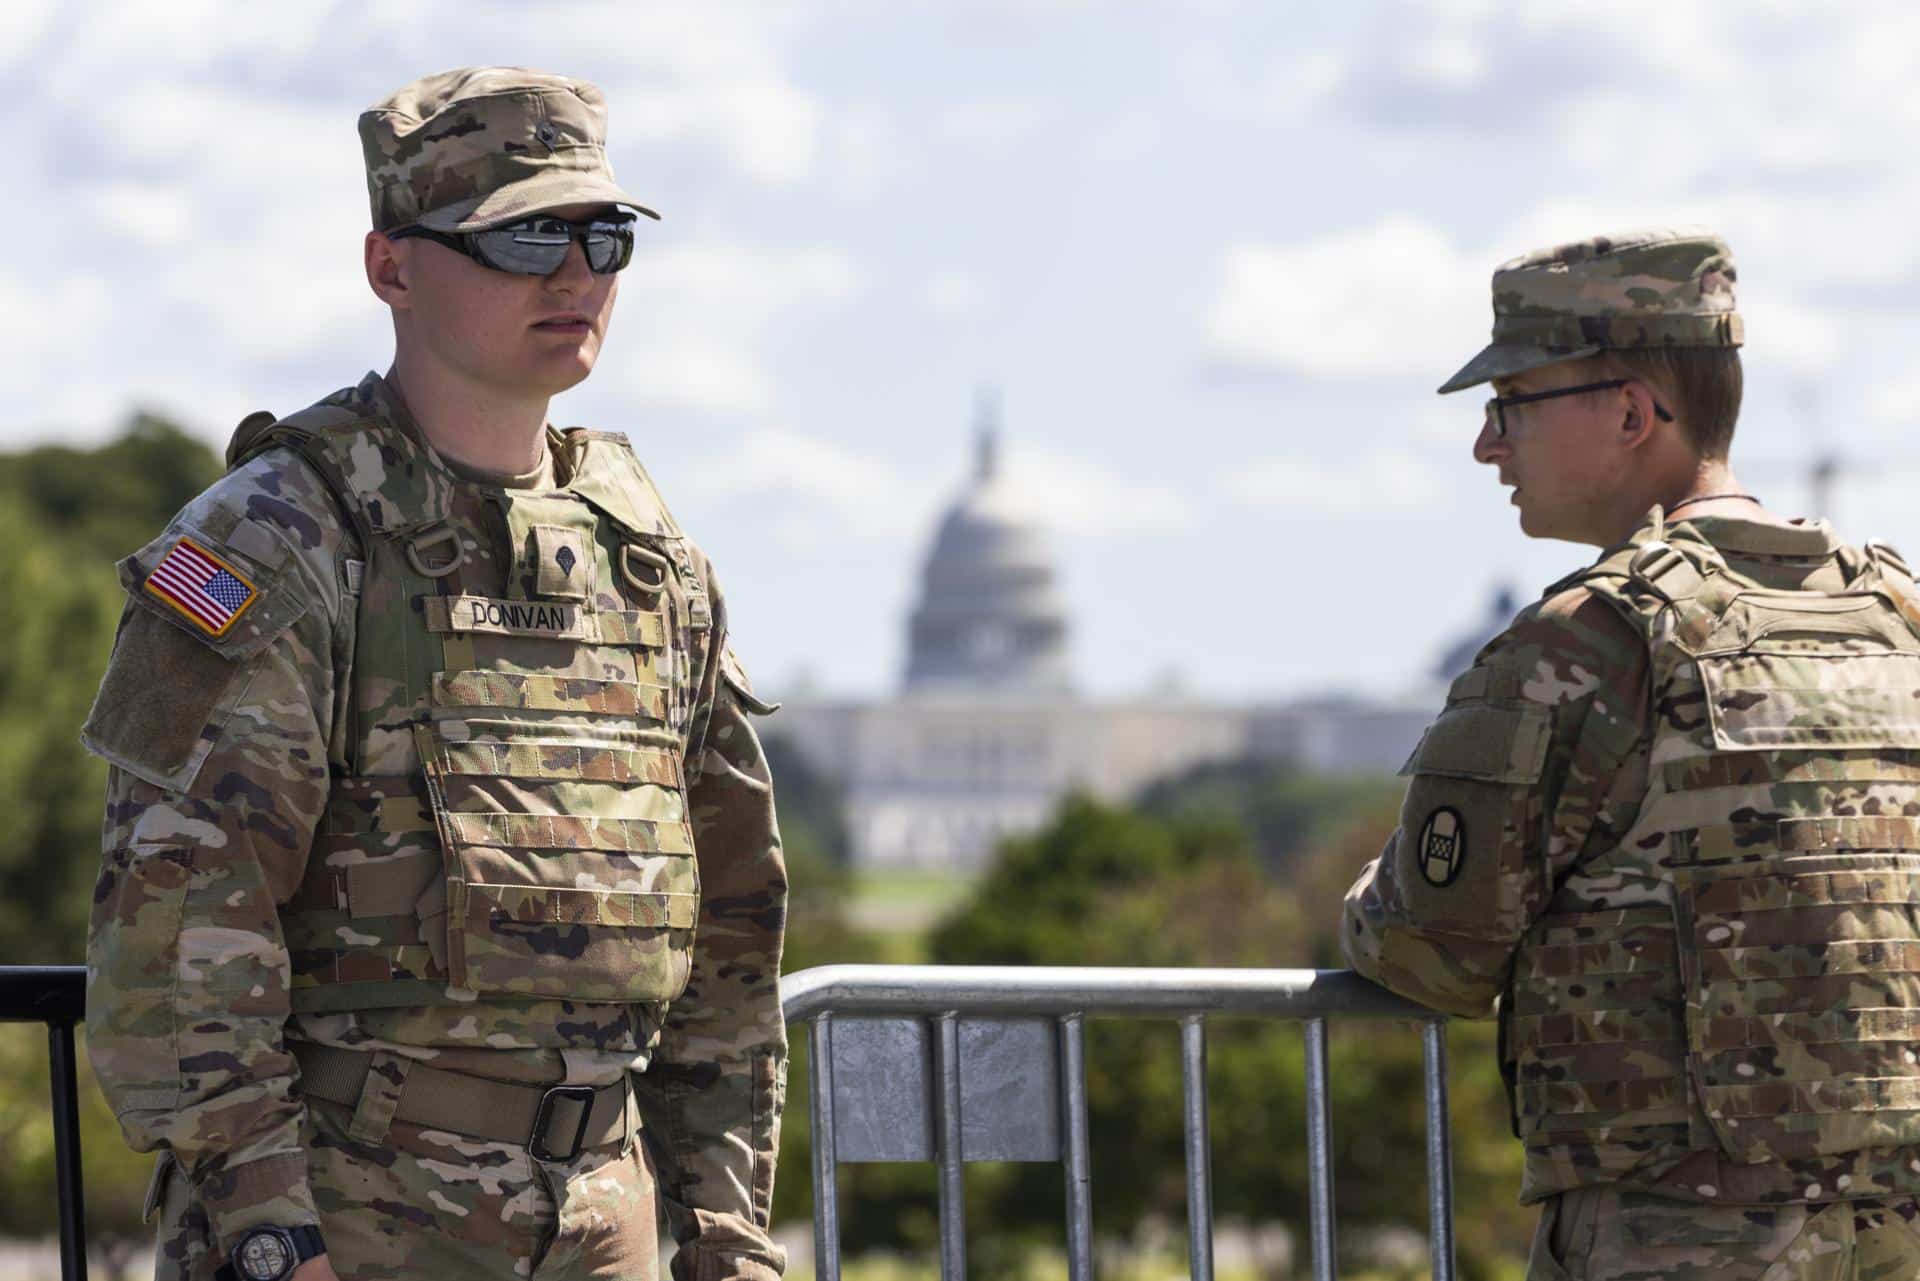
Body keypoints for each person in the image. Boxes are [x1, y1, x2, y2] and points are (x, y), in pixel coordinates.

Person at [81, 67, 788, 1281]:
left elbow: (731, 929)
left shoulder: (650, 561)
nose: (575, 277)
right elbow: (183, 924)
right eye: (522, 237)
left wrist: (727, 1233)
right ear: (391, 266)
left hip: (606, 1221)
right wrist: (268, 1235)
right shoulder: (272, 539)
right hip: (355, 1224)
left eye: (603, 236)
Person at [1344, 227, 1920, 1280]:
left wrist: (1371, 896)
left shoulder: (1586, 645)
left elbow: (1431, 947)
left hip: (1679, 1240)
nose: (1487, 445)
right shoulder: (1894, 616)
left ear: (1629, 413)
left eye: (1512, 403)